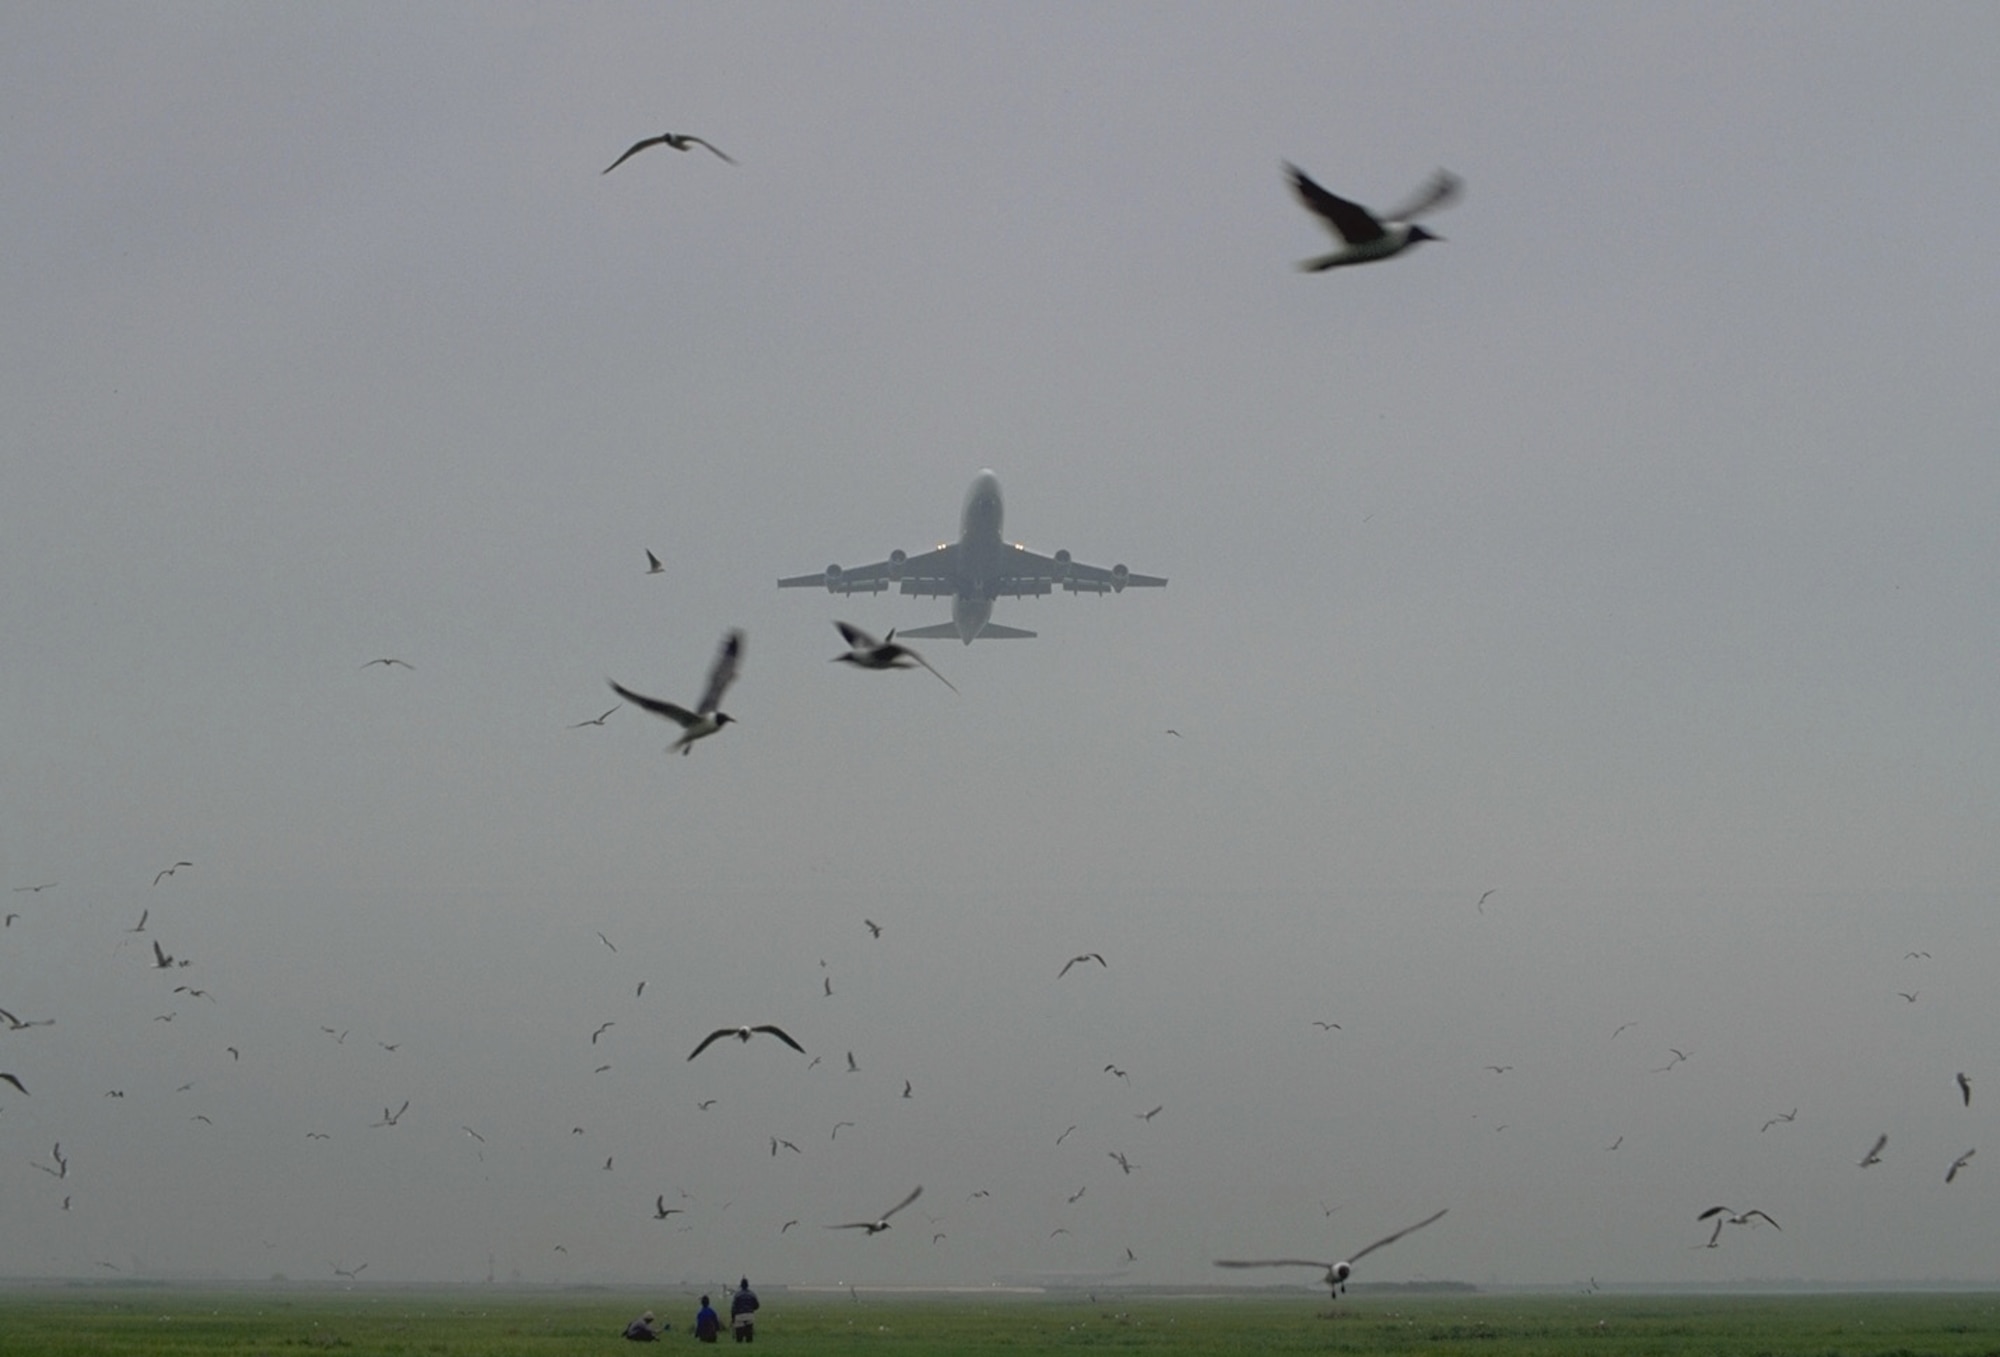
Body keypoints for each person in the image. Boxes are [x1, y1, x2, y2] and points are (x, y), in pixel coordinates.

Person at [730, 1277, 760, 1343]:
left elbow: (733, 1308)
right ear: (747, 1285)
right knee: (749, 1335)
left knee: (739, 1337)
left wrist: (733, 1319)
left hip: (739, 1316)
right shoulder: (752, 1294)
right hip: (749, 1315)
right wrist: (750, 1308)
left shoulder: (737, 1295)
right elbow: (757, 1306)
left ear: (741, 1285)